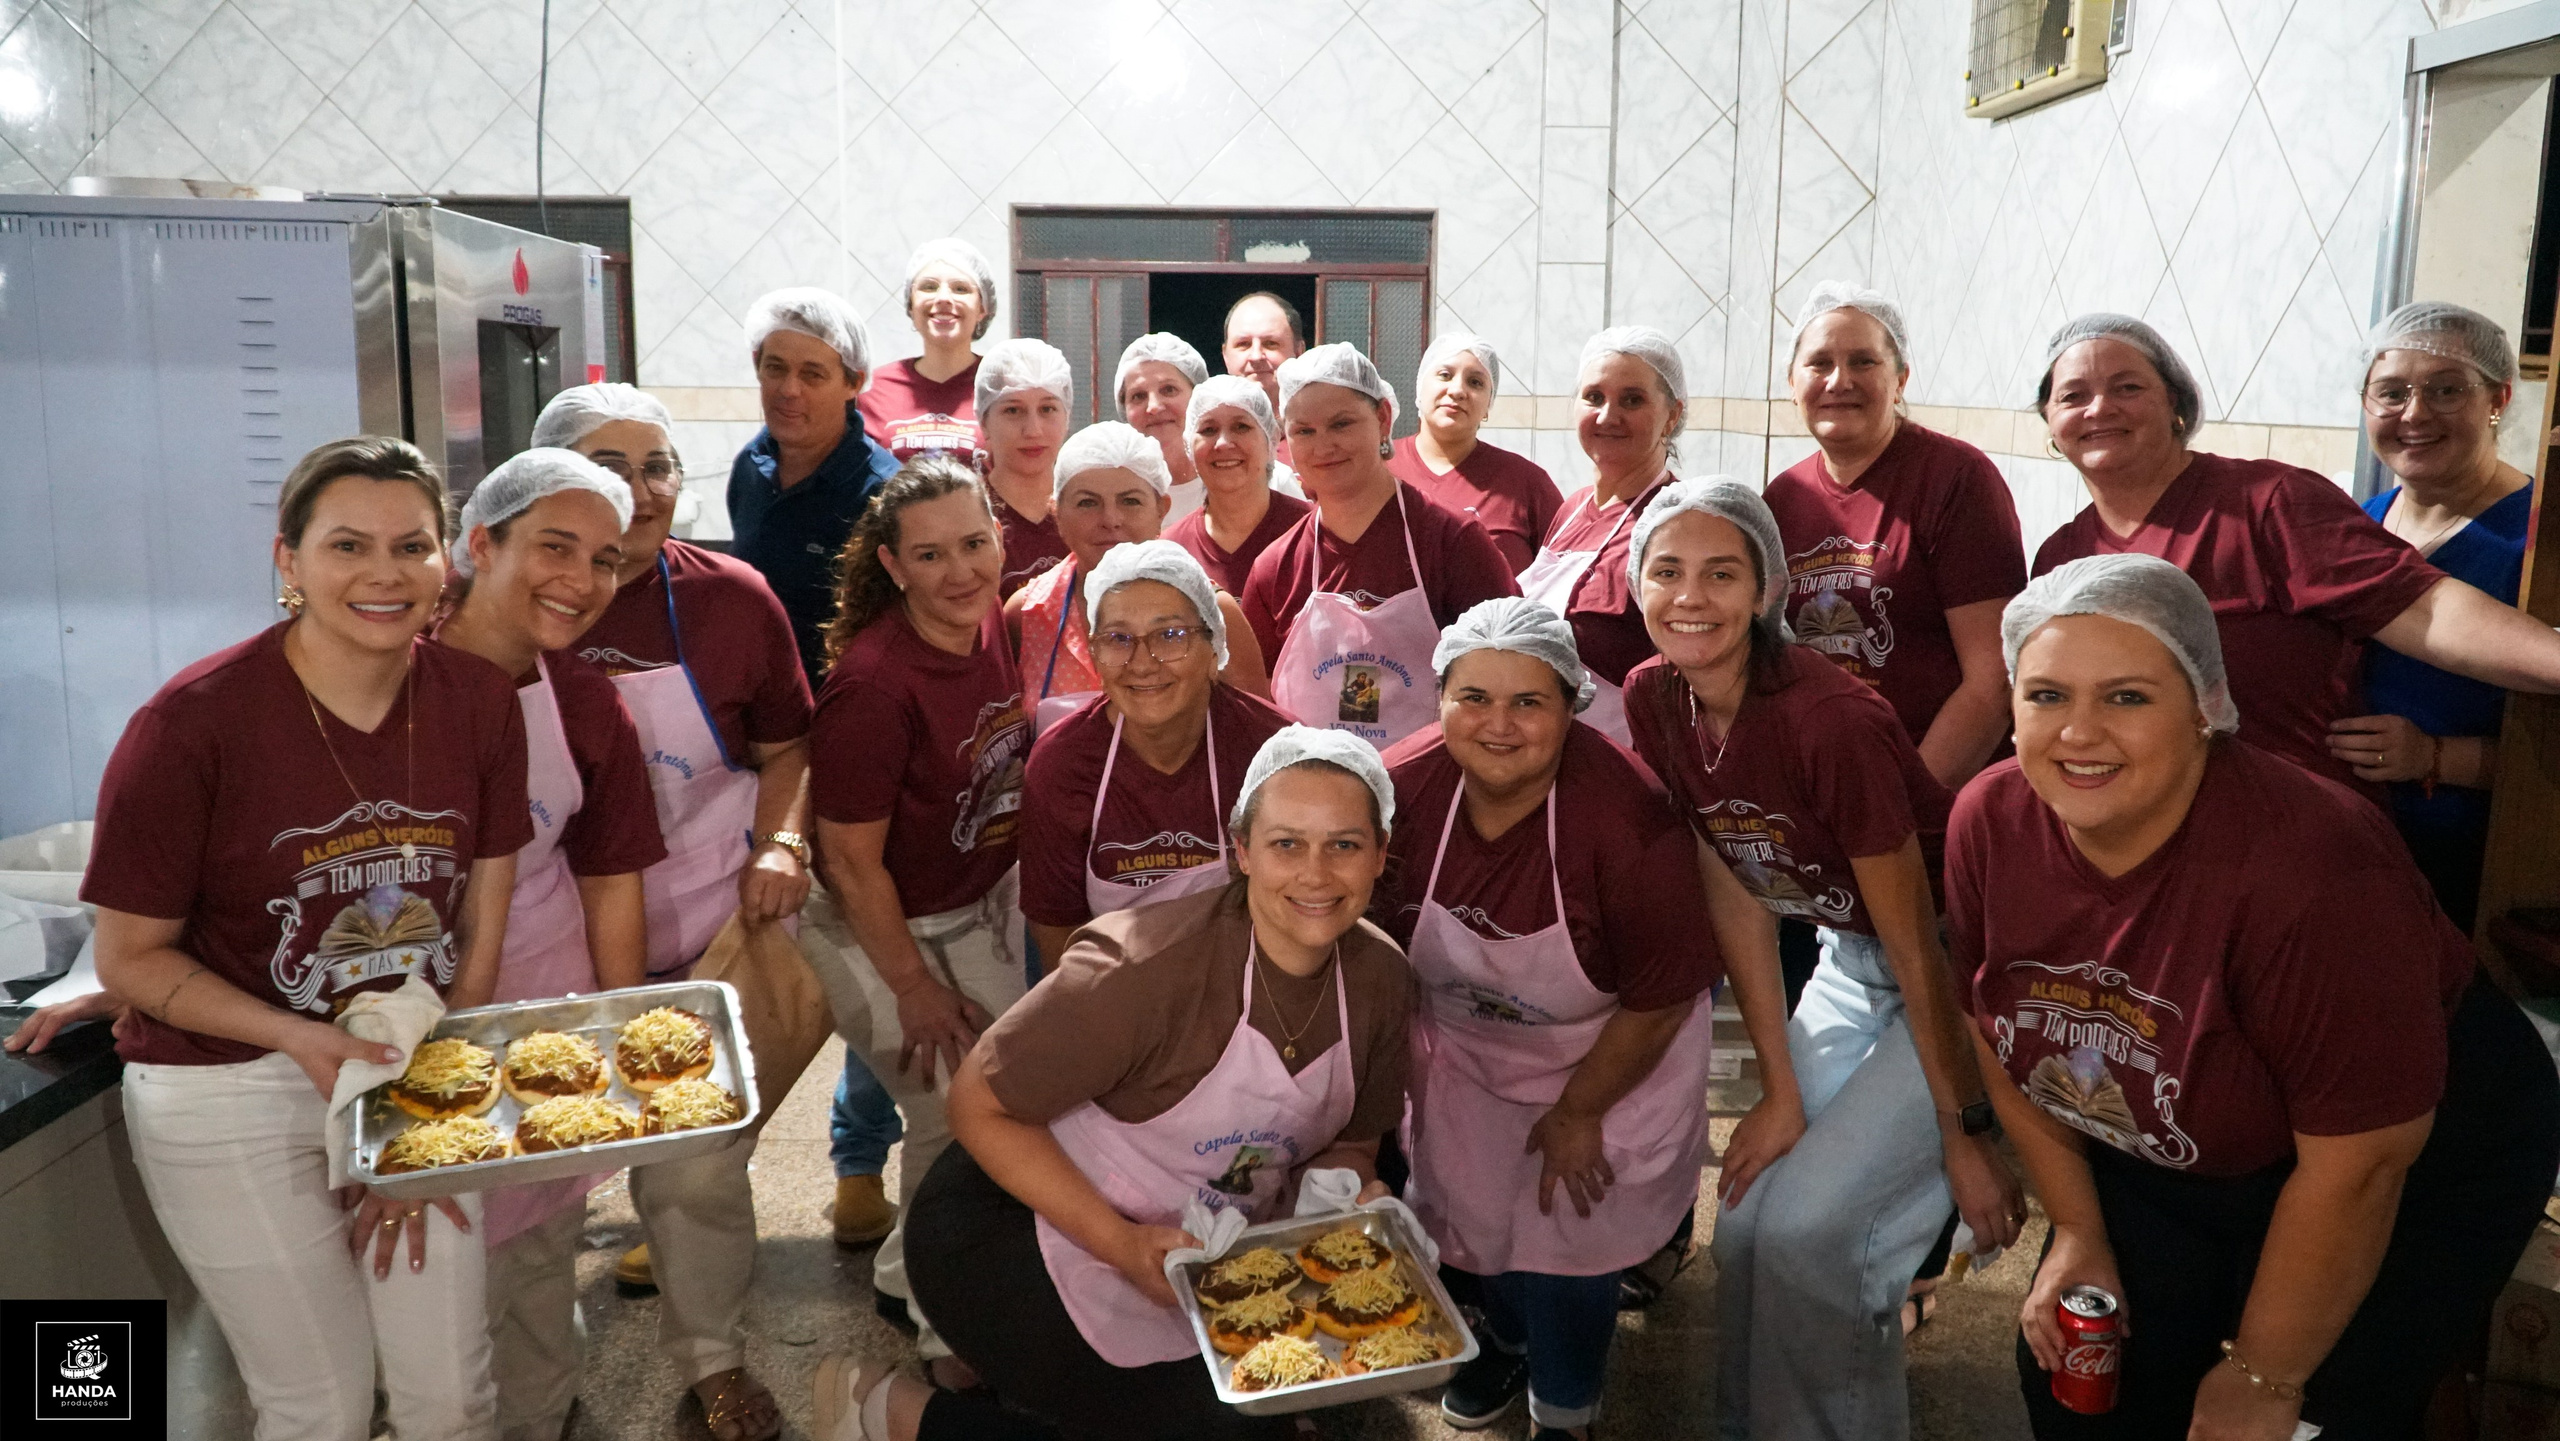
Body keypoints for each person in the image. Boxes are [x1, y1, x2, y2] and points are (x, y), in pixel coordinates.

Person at [1953, 554, 2560, 1438]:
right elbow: (1992, 1020)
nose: (2078, 732)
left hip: (2402, 1157)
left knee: (2306, 1415)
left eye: (2126, 696)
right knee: (2085, 1383)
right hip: (2180, 1146)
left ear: (2205, 707)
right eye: (2046, 695)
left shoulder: (2310, 866)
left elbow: (2360, 1165)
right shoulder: (1991, 820)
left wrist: (2267, 1376)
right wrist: (2078, 1231)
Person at [79, 437, 528, 1440]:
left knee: (449, 1393)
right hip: (226, 1083)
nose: (384, 573)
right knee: (317, 1401)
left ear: (447, 557)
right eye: (347, 545)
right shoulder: (191, 726)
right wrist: (301, 1040)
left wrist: (410, 1120)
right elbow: (131, 958)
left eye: (412, 545)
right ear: (288, 562)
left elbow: (479, 932)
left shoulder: (479, 703)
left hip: (411, 1064)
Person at [817, 726, 1416, 1441]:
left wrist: (1348, 1195)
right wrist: (1118, 1243)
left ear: (1380, 854)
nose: (1316, 873)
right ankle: (891, 1412)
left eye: (1344, 844)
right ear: (1242, 850)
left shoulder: (1381, 981)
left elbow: (1350, 1140)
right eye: (1287, 842)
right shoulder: (1142, 968)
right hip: (1014, 1224)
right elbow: (976, 1104)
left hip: (1195, 1246)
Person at [1619, 478, 2024, 1440]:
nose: (1690, 596)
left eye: (1722, 573)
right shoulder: (1657, 697)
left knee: (1816, 1238)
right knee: (1754, 1221)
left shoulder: (1827, 719)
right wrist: (1779, 1088)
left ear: (1768, 591)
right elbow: (1733, 877)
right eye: (1666, 571)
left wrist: (1967, 1129)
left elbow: (1920, 939)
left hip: (1958, 969)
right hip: (1852, 953)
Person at [535, 385, 836, 1439]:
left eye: (659, 465)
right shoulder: (507, 613)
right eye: (611, 466)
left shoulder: (732, 599)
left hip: (708, 929)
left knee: (699, 1168)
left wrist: (785, 840)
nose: (643, 489)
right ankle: (529, 1379)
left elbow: (788, 747)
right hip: (557, 940)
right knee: (536, 1184)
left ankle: (710, 1358)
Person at [1377, 598, 1717, 1440]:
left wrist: (1579, 1110)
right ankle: (1510, 1339)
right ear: (1440, 699)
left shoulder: (1627, 819)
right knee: (1479, 1218)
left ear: (1572, 705)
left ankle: (1567, 1407)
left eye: (1528, 701)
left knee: (1569, 1243)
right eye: (1474, 697)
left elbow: (1661, 991)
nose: (1499, 724)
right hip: (1467, 1052)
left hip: (1612, 1053)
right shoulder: (1398, 791)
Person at [2032, 312, 2560, 794]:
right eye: (2073, 396)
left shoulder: (2268, 503)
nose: (2100, 408)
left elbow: (2423, 609)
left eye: (2127, 387)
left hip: (2287, 836)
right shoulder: (2061, 558)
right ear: (2050, 420)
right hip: (2137, 833)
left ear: (2177, 405)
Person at [429, 448, 669, 1441]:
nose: (580, 580)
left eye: (605, 559)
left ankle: (538, 1417)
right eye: (554, 546)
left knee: (534, 1262)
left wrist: (627, 1051)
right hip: (396, 1017)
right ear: (481, 542)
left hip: (540, 1008)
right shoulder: (388, 674)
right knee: (437, 1279)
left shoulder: (582, 701)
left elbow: (613, 883)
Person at [800, 457, 1034, 1363]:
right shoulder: (872, 686)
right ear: (893, 567)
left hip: (971, 902)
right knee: (957, 1110)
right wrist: (912, 988)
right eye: (932, 555)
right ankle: (948, 1324)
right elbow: (854, 865)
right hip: (877, 925)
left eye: (976, 543)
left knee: (989, 1104)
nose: (962, 569)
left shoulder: (988, 626)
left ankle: (908, 1275)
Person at [1766, 282, 2024, 789]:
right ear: (1792, 384)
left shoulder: (1955, 479)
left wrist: (1907, 806)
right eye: (1819, 364)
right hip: (1826, 788)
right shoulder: (1781, 498)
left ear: (1901, 378)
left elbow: (1993, 679)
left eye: (1864, 361)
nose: (1840, 381)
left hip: (1932, 790)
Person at [2341, 302, 2536, 930]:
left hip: (2473, 872)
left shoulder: (2538, 542)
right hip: (2347, 850)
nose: (2415, 414)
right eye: (2391, 393)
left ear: (2497, 398)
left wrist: (2436, 757)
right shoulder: (2355, 523)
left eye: (2447, 389)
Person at [1018, 539, 1291, 964]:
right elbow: (1057, 931)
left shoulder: (1273, 753)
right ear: (1094, 652)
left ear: (1213, 647)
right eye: (1118, 639)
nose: (1142, 663)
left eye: (1170, 636)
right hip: (1115, 997)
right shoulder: (1060, 767)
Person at [1241, 343, 1518, 749]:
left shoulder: (1452, 542)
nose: (1323, 447)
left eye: (1341, 424)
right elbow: (1254, 703)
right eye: (1304, 431)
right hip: (1312, 794)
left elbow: (1509, 672)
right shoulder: (1276, 567)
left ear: (1383, 418)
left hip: (1427, 788)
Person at [1008, 421, 1265, 732]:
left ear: (1161, 509)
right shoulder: (1027, 614)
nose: (1111, 520)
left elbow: (1255, 737)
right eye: (1087, 502)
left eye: (1130, 501)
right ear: (1057, 513)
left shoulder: (1213, 612)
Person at [1515, 327, 1689, 747]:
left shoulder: (1679, 520)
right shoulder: (1571, 508)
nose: (1608, 416)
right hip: (1547, 753)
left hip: (1629, 759)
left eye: (1632, 400)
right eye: (1594, 397)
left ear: (1672, 415)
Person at [727, 287, 900, 679]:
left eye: (812, 374)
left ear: (853, 383)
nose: (789, 389)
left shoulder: (882, 493)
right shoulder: (750, 467)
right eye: (776, 368)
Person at [1388, 333, 1562, 571]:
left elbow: (1562, 577)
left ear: (1488, 405)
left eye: (1475, 382)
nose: (1457, 390)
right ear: (1420, 387)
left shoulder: (1528, 483)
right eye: (1445, 375)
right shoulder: (1377, 467)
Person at [1164, 375, 1311, 596]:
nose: (1223, 443)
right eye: (1208, 430)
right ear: (1189, 446)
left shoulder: (1312, 532)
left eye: (1241, 427)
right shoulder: (1172, 550)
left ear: (1270, 439)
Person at [859, 239, 996, 462]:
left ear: (982, 308)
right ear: (911, 306)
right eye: (928, 287)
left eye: (960, 289)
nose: (943, 298)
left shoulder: (1000, 386)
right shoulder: (872, 391)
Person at [976, 337, 1076, 598]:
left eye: (1047, 409)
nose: (1033, 430)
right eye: (1013, 410)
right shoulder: (968, 514)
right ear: (984, 423)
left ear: (1067, 418)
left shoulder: (1090, 508)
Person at [1114, 332, 1212, 522]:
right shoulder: (1112, 492)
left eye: (1168, 390)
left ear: (1198, 397)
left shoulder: (1260, 481)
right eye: (1138, 396)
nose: (1154, 407)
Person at [1222, 290, 1305, 415]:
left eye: (1270, 343)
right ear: (1225, 356)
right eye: (1243, 344)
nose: (1256, 356)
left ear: (1299, 352)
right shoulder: (1206, 431)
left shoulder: (1321, 429)